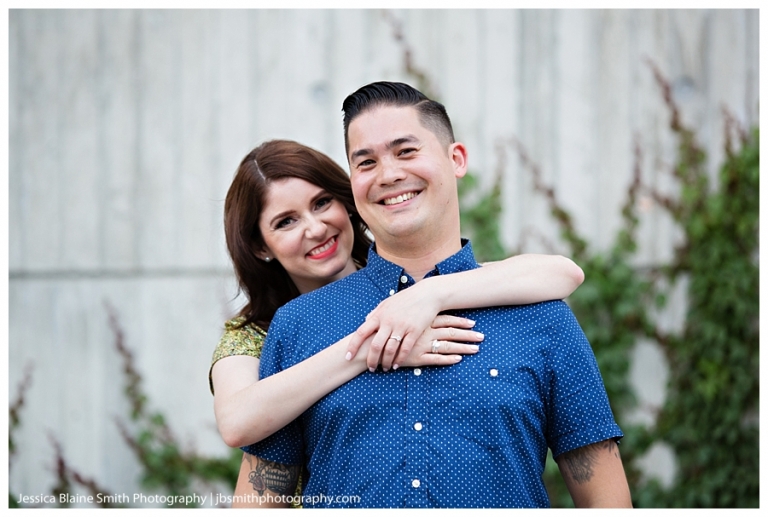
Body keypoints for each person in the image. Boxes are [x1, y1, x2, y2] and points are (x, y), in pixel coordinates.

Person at [240, 82, 632, 508]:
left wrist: (430, 295)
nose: (388, 175)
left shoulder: (542, 317)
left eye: (406, 151)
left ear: (456, 159)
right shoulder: (298, 325)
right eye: (366, 162)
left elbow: (606, 501)